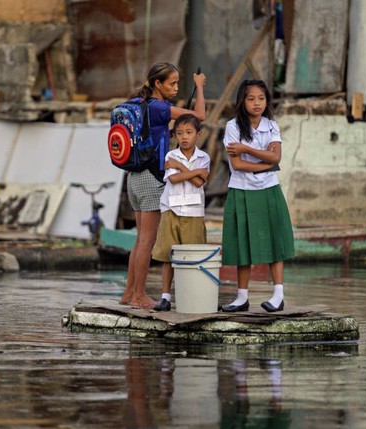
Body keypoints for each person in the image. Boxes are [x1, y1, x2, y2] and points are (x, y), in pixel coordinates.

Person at [119, 62, 206, 309]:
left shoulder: (138, 103)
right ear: (157, 84)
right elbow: (199, 117)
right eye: (172, 83)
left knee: (140, 240)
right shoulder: (157, 107)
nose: (177, 88)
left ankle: (128, 293)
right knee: (148, 240)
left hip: (134, 177)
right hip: (150, 177)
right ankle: (139, 296)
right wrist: (198, 87)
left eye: (179, 83)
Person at [220, 79, 294, 313]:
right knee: (243, 243)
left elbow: (276, 158)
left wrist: (247, 149)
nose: (257, 103)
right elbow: (238, 165)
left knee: (275, 241)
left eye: (261, 98)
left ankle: (278, 295)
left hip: (269, 189)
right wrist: (265, 161)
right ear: (242, 101)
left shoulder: (272, 125)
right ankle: (242, 297)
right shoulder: (232, 126)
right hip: (241, 189)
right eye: (251, 98)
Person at [150, 114, 210, 311]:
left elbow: (200, 183)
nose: (184, 137)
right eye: (180, 133)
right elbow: (176, 180)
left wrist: (181, 167)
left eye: (189, 133)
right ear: (174, 135)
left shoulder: (204, 157)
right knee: (169, 254)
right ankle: (166, 297)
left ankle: (193, 296)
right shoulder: (170, 156)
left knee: (193, 255)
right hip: (172, 209)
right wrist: (194, 172)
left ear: (198, 134)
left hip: (193, 211)